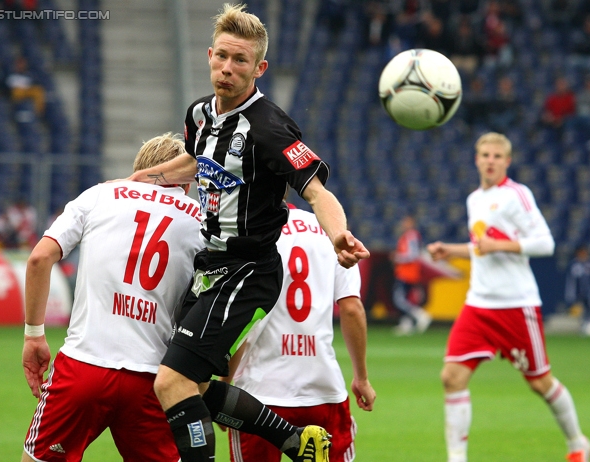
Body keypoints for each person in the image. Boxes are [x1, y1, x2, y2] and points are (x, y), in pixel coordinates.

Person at [126, 4, 370, 462]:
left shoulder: (271, 128)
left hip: (249, 272)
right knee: (191, 388)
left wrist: (338, 234)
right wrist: (147, 178)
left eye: (240, 61)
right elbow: (198, 160)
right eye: (222, 56)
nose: (227, 68)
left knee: (170, 383)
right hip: (209, 268)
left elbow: (317, 192)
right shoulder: (199, 115)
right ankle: (298, 444)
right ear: (209, 55)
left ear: (260, 68)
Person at [21, 133, 203, 461]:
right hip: (151, 378)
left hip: (83, 368)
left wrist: (34, 335)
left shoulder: (100, 195)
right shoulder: (201, 221)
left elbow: (38, 258)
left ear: (139, 168)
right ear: (186, 182)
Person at [427, 132, 590, 462]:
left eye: (496, 156)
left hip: (516, 304)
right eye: (485, 155)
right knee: (452, 377)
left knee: (540, 382)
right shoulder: (475, 199)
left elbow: (546, 243)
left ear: (507, 161)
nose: (490, 160)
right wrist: (453, 250)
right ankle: (456, 458)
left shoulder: (517, 195)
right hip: (478, 304)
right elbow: (480, 246)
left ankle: (577, 443)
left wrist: (497, 245)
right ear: (476, 159)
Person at [224, 203, 376, 461]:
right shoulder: (330, 228)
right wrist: (361, 377)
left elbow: (243, 320)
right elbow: (352, 309)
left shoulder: (248, 233)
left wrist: (225, 386)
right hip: (323, 387)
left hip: (260, 393)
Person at [392, 214, 431, 335]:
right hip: (405, 272)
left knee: (399, 299)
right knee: (405, 298)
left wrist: (398, 258)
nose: (404, 224)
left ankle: (420, 315)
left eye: (407, 222)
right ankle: (407, 324)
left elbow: (413, 254)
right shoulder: (406, 236)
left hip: (408, 272)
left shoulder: (411, 235)